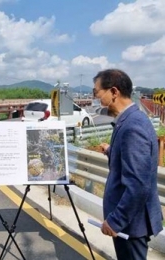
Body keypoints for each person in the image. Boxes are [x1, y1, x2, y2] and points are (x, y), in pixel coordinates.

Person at [93, 69, 163, 260]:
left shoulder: (132, 126)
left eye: (97, 92)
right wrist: (110, 150)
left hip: (131, 223)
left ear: (114, 92)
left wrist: (116, 221)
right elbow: (132, 160)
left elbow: (137, 184)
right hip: (131, 220)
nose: (96, 98)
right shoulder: (131, 119)